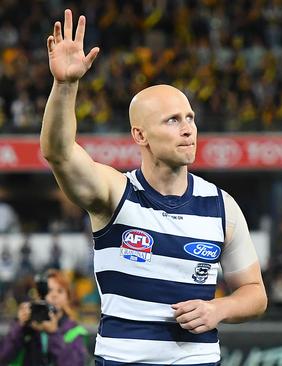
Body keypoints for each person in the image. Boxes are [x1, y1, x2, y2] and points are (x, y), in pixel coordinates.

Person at [41, 9, 267, 365]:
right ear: (139, 134)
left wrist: (218, 308)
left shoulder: (222, 206)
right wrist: (65, 86)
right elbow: (59, 153)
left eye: (190, 118)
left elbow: (255, 293)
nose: (188, 128)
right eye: (173, 120)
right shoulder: (114, 194)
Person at [0, 270, 88, 365]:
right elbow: (4, 357)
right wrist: (19, 326)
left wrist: (54, 333)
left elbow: (73, 363)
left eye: (60, 291)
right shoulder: (28, 325)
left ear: (68, 297)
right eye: (49, 290)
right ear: (39, 295)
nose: (54, 295)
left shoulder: (74, 331)